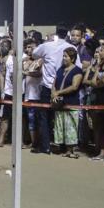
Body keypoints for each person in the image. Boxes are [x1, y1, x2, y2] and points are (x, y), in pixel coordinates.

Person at [31, 26, 77, 154]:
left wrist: (44, 57)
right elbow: (77, 67)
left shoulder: (47, 46)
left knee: (44, 117)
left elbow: (34, 54)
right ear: (67, 34)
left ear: (56, 33)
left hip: (48, 87)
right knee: (61, 117)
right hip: (64, 86)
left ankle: (45, 146)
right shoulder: (71, 48)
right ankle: (63, 147)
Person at [51, 48, 84, 158]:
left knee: (71, 127)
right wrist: (53, 93)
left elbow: (74, 87)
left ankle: (71, 150)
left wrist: (58, 93)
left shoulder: (77, 71)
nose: (64, 58)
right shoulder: (60, 69)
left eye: (66, 56)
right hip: (59, 103)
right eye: (63, 56)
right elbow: (54, 83)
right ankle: (64, 149)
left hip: (71, 103)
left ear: (73, 58)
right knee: (60, 126)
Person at [0, 40, 16, 147]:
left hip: (21, 92)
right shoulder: (6, 59)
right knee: (5, 117)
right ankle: (1, 139)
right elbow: (2, 74)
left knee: (21, 118)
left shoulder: (25, 57)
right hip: (8, 91)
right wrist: (2, 91)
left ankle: (19, 141)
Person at [23, 38, 43, 149]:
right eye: (27, 47)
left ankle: (36, 143)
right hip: (28, 94)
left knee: (36, 120)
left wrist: (25, 72)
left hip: (36, 95)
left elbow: (39, 73)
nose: (28, 49)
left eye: (31, 47)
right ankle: (32, 142)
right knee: (30, 120)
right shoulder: (29, 61)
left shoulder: (41, 60)